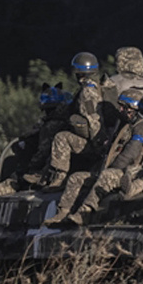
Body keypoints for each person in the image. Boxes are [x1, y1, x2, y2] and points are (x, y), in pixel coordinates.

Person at [45, 89, 143, 225]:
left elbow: (130, 153)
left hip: (128, 171)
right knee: (76, 178)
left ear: (135, 109)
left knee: (105, 177)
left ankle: (85, 212)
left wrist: (112, 168)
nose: (121, 110)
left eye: (125, 108)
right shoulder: (125, 124)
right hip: (109, 168)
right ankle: (63, 212)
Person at [0, 85, 71, 213]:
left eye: (48, 110)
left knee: (15, 181)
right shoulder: (65, 123)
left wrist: (29, 169)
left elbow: (43, 153)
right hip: (59, 171)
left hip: (50, 173)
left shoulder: (52, 125)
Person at [39, 52, 104, 189]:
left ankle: (59, 178)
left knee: (61, 138)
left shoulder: (88, 92)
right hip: (99, 140)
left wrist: (98, 144)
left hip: (96, 143)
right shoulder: (99, 87)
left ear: (79, 73)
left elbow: (93, 120)